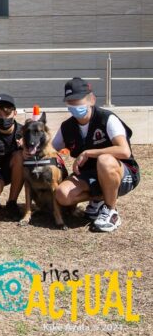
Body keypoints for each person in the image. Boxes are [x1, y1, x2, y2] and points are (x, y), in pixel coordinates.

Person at [53, 78, 140, 232]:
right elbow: (51, 149)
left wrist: (89, 153)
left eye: (78, 100)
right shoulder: (67, 127)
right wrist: (26, 142)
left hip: (122, 173)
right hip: (90, 175)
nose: (74, 105)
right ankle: (99, 199)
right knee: (62, 194)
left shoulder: (107, 118)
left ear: (91, 99)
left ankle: (111, 211)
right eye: (70, 102)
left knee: (104, 160)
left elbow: (124, 151)